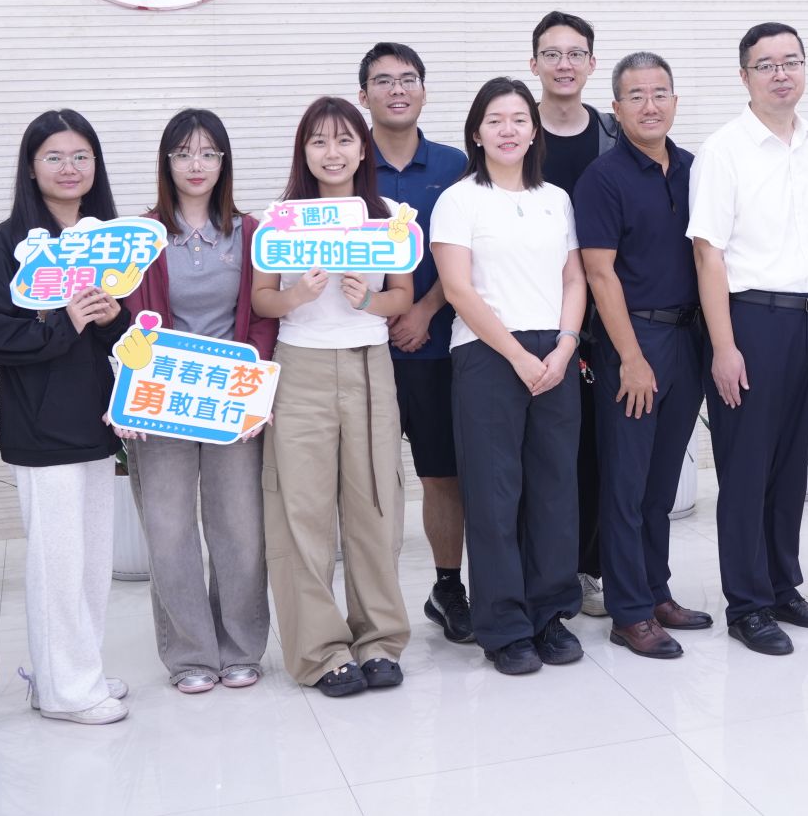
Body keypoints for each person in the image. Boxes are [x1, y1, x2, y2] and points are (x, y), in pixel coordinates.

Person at [0, 110, 131, 725]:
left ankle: (72, 672)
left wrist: (114, 318)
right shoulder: (9, 243)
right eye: (54, 156)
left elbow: (132, 332)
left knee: (90, 562)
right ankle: (66, 692)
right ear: (31, 168)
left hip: (97, 423)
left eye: (81, 156)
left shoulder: (112, 239)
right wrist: (64, 321)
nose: (69, 168)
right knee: (57, 564)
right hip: (40, 425)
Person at [689, 22, 808, 656]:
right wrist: (724, 347)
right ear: (744, 76)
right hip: (751, 322)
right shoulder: (723, 150)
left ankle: (783, 586)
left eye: (791, 61)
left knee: (790, 465)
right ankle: (747, 604)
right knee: (747, 468)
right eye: (766, 64)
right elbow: (708, 254)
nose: (781, 74)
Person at [252, 97, 415, 697]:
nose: (332, 152)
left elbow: (402, 296)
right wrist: (297, 295)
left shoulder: (388, 217)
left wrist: (368, 300)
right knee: (302, 512)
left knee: (375, 504)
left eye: (345, 140)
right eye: (319, 141)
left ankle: (379, 641)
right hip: (300, 368)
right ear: (304, 152)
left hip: (370, 364)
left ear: (363, 149)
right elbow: (262, 298)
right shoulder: (279, 220)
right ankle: (320, 652)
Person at [432, 77, 589, 675]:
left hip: (556, 354)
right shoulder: (459, 199)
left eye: (519, 119)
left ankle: (550, 615)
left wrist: (566, 344)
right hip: (487, 354)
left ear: (533, 130)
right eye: (495, 120)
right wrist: (517, 355)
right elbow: (457, 288)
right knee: (494, 495)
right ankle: (503, 627)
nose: (507, 130)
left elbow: (573, 278)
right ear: (476, 132)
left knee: (554, 489)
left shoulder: (556, 198)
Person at [123, 110, 276, 693]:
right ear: (166, 163)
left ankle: (240, 646)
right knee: (169, 530)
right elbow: (128, 320)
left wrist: (254, 390)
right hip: (161, 397)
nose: (196, 165)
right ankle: (190, 655)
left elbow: (262, 315)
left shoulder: (249, 231)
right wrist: (127, 391)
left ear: (223, 162)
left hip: (230, 398)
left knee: (239, 528)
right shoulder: (142, 235)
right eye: (183, 153)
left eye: (209, 153)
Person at [575, 52, 716, 659]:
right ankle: (629, 610)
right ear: (616, 108)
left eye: (660, 93)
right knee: (627, 484)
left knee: (662, 483)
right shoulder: (602, 178)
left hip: (688, 338)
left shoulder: (694, 170)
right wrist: (631, 358)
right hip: (634, 341)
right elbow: (600, 274)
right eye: (636, 95)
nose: (650, 105)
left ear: (675, 101)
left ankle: (657, 592)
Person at [360, 42, 474, 644]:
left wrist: (425, 310)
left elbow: (474, 253)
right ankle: (371, 606)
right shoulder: (345, 163)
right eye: (383, 81)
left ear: (424, 92)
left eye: (408, 79)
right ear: (364, 96)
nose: (397, 90)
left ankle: (448, 588)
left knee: (442, 475)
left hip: (440, 347)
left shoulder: (456, 165)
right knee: (368, 483)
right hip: (365, 349)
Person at [529, 10, 618, 617]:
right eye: (552, 54)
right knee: (540, 455)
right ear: (533, 62)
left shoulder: (613, 131)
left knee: (597, 449)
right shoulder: (514, 128)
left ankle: (590, 569)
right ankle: (538, 574)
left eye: (575, 53)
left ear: (591, 63)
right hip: (531, 315)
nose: (564, 64)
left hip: (603, 316)